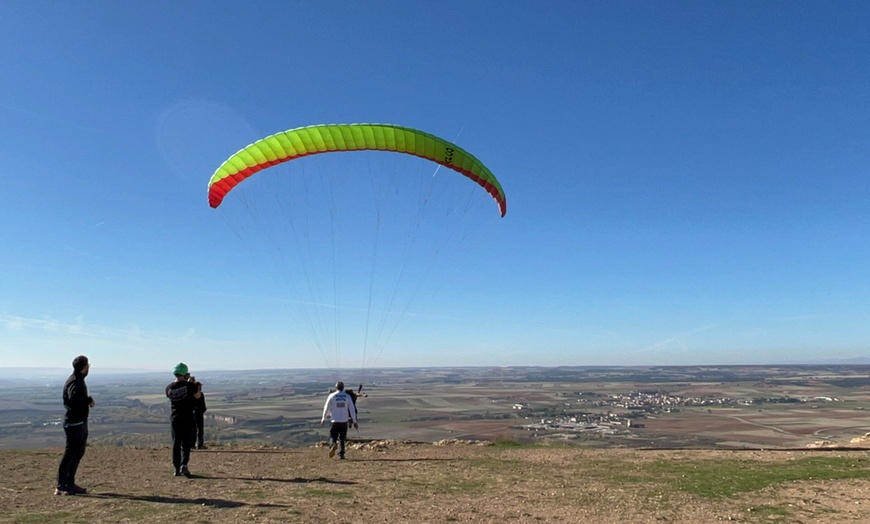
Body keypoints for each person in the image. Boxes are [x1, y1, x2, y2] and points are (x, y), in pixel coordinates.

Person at [56, 355, 95, 496]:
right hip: (74, 423)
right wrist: (87, 401)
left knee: (77, 453)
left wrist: (86, 401)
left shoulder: (77, 380)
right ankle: (61, 485)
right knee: (70, 454)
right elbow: (74, 401)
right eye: (88, 365)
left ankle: (70, 483)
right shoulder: (75, 382)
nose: (89, 367)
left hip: (78, 422)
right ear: (84, 367)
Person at [165, 363, 202, 477]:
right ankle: (183, 465)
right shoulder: (190, 386)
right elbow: (198, 396)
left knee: (176, 443)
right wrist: (195, 385)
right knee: (186, 443)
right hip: (187, 417)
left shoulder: (168, 388)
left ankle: (176, 468)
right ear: (185, 373)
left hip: (175, 418)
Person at [320, 381, 358, 459]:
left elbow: (326, 407)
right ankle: (341, 454)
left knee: (332, 436)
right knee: (342, 438)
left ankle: (333, 444)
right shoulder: (347, 396)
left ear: (336, 387)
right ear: (343, 387)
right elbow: (352, 409)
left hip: (334, 420)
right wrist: (354, 421)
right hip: (344, 421)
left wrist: (323, 418)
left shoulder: (331, 396)